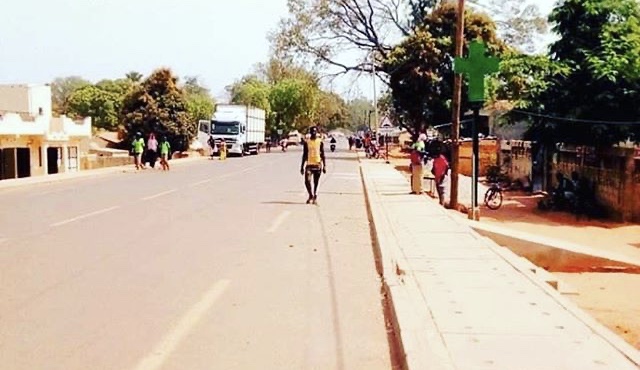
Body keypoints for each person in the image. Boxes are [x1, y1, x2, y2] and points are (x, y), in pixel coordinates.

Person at [300, 126, 326, 204]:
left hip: (317, 164)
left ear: (317, 132)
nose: (313, 133)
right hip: (309, 165)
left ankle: (315, 196)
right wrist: (301, 166)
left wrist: (324, 165)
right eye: (312, 132)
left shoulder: (320, 142)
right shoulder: (307, 142)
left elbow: (323, 154)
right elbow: (304, 154)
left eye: (315, 131)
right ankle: (310, 195)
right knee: (307, 181)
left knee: (316, 182)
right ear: (310, 133)